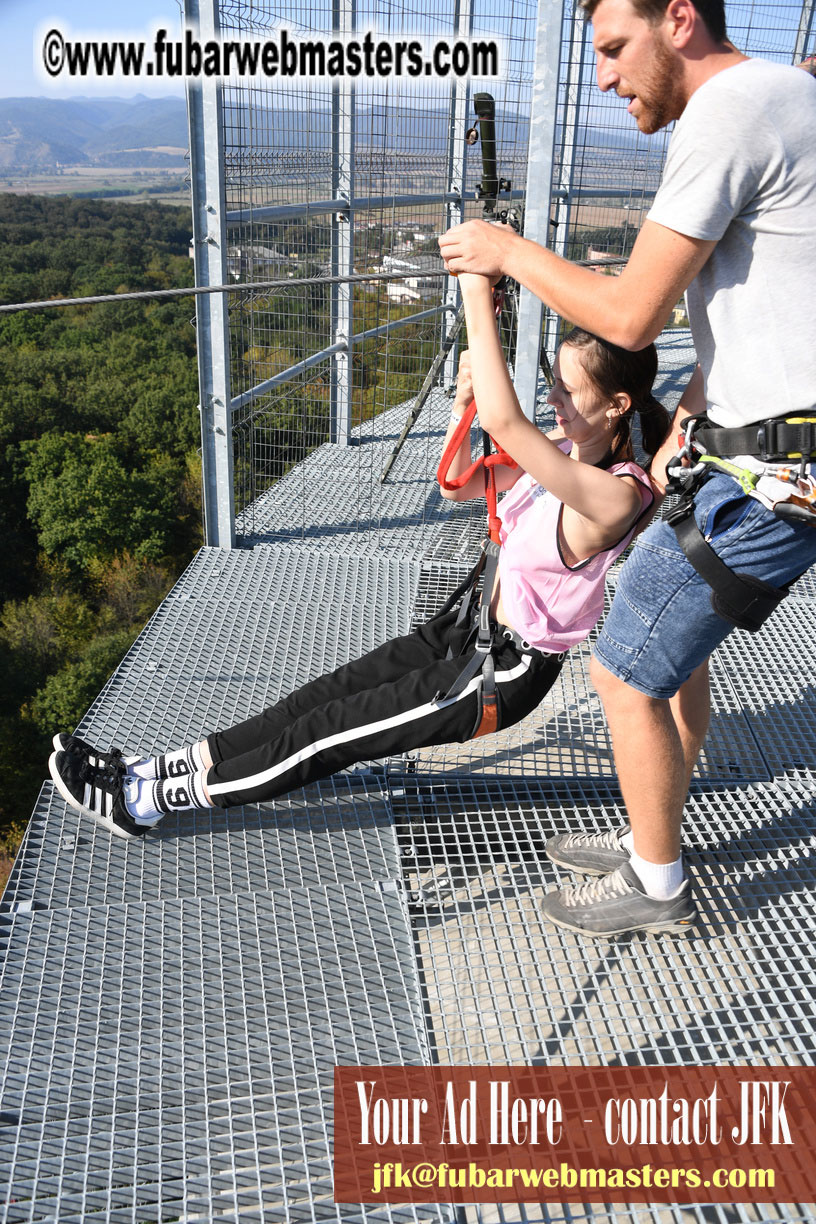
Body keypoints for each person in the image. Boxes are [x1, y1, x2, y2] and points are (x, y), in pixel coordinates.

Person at [439, 0, 816, 937]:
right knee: (671, 661)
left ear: (679, 19)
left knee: (625, 670)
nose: (604, 76)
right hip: (769, 454)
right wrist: (699, 405)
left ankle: (658, 884)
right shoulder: (785, 95)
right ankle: (660, 837)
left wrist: (505, 252)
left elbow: (632, 317)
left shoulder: (730, 109)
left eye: (613, 48)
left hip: (773, 482)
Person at [49, 275, 665, 842]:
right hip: (463, 629)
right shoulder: (564, 450)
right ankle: (160, 766)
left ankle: (145, 802)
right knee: (312, 701)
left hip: (499, 674)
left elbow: (509, 421)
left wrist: (480, 288)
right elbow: (456, 483)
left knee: (324, 736)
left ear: (615, 406)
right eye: (553, 382)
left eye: (567, 388)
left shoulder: (614, 496)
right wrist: (462, 406)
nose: (552, 398)